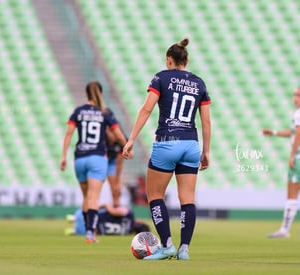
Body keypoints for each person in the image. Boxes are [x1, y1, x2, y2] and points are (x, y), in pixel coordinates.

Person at [122, 38, 211, 260]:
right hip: (191, 144)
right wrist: (206, 151)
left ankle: (168, 244)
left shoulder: (161, 77)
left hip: (167, 142)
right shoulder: (199, 83)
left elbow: (146, 109)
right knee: (187, 199)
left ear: (169, 60)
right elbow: (206, 122)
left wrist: (131, 139)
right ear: (186, 60)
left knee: (154, 195)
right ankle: (184, 249)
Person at [60, 81, 127, 243]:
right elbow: (118, 135)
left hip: (80, 157)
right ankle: (91, 233)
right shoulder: (105, 112)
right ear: (101, 94)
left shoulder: (78, 111)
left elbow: (68, 134)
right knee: (93, 197)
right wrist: (127, 147)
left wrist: (63, 156)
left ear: (86, 94)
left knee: (86, 197)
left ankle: (87, 230)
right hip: (97, 158)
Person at [262, 86, 300, 238]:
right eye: (294, 95)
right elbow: (295, 131)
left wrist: (292, 155)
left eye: (299, 95)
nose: (295, 98)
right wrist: (275, 132)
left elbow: (298, 133)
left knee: (292, 195)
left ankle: (284, 230)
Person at [65, 204, 150, 236]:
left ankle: (73, 218)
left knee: (81, 214)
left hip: (93, 217)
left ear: (141, 222)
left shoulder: (129, 214)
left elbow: (113, 211)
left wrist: (103, 206)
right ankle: (72, 231)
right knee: (76, 231)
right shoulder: (127, 233)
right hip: (91, 231)